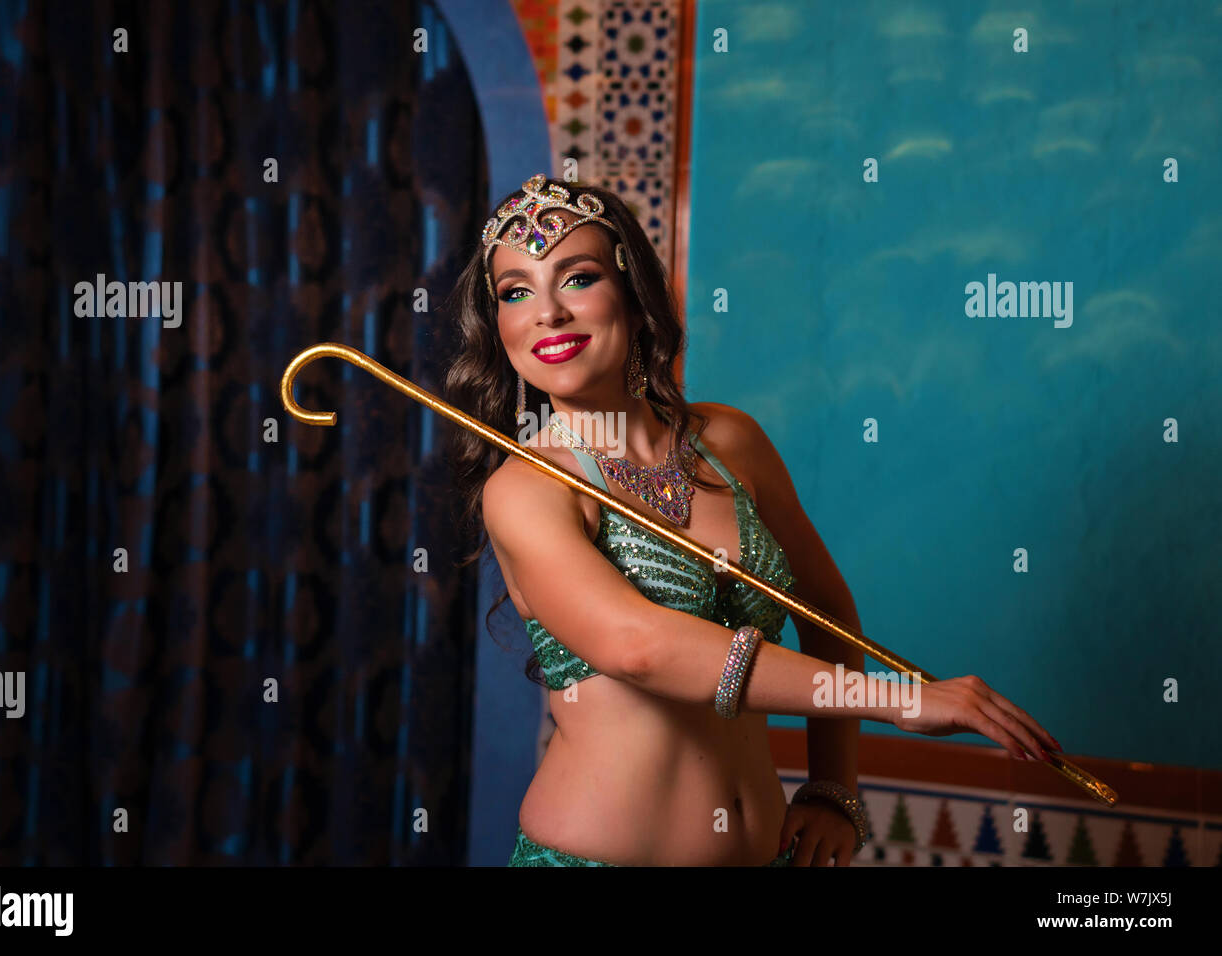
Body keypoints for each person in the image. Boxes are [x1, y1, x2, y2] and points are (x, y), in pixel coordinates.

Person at [443, 174, 1061, 867]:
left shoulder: (731, 442)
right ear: (498, 327)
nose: (547, 313)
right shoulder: (528, 489)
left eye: (577, 278)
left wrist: (833, 790)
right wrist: (895, 700)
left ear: (636, 296)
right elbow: (636, 645)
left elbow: (828, 610)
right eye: (516, 292)